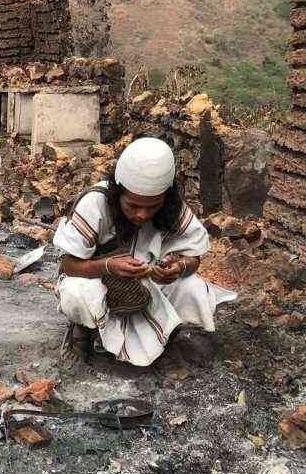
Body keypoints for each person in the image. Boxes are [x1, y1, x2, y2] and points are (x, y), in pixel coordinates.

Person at [53, 137, 237, 366]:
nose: (142, 215)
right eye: (132, 206)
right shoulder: (96, 203)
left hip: (147, 288)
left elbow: (194, 259)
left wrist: (178, 267)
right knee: (77, 290)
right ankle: (82, 332)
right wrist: (108, 266)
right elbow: (67, 265)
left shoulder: (173, 208)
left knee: (192, 286)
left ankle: (166, 341)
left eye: (152, 207)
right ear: (118, 193)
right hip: (99, 281)